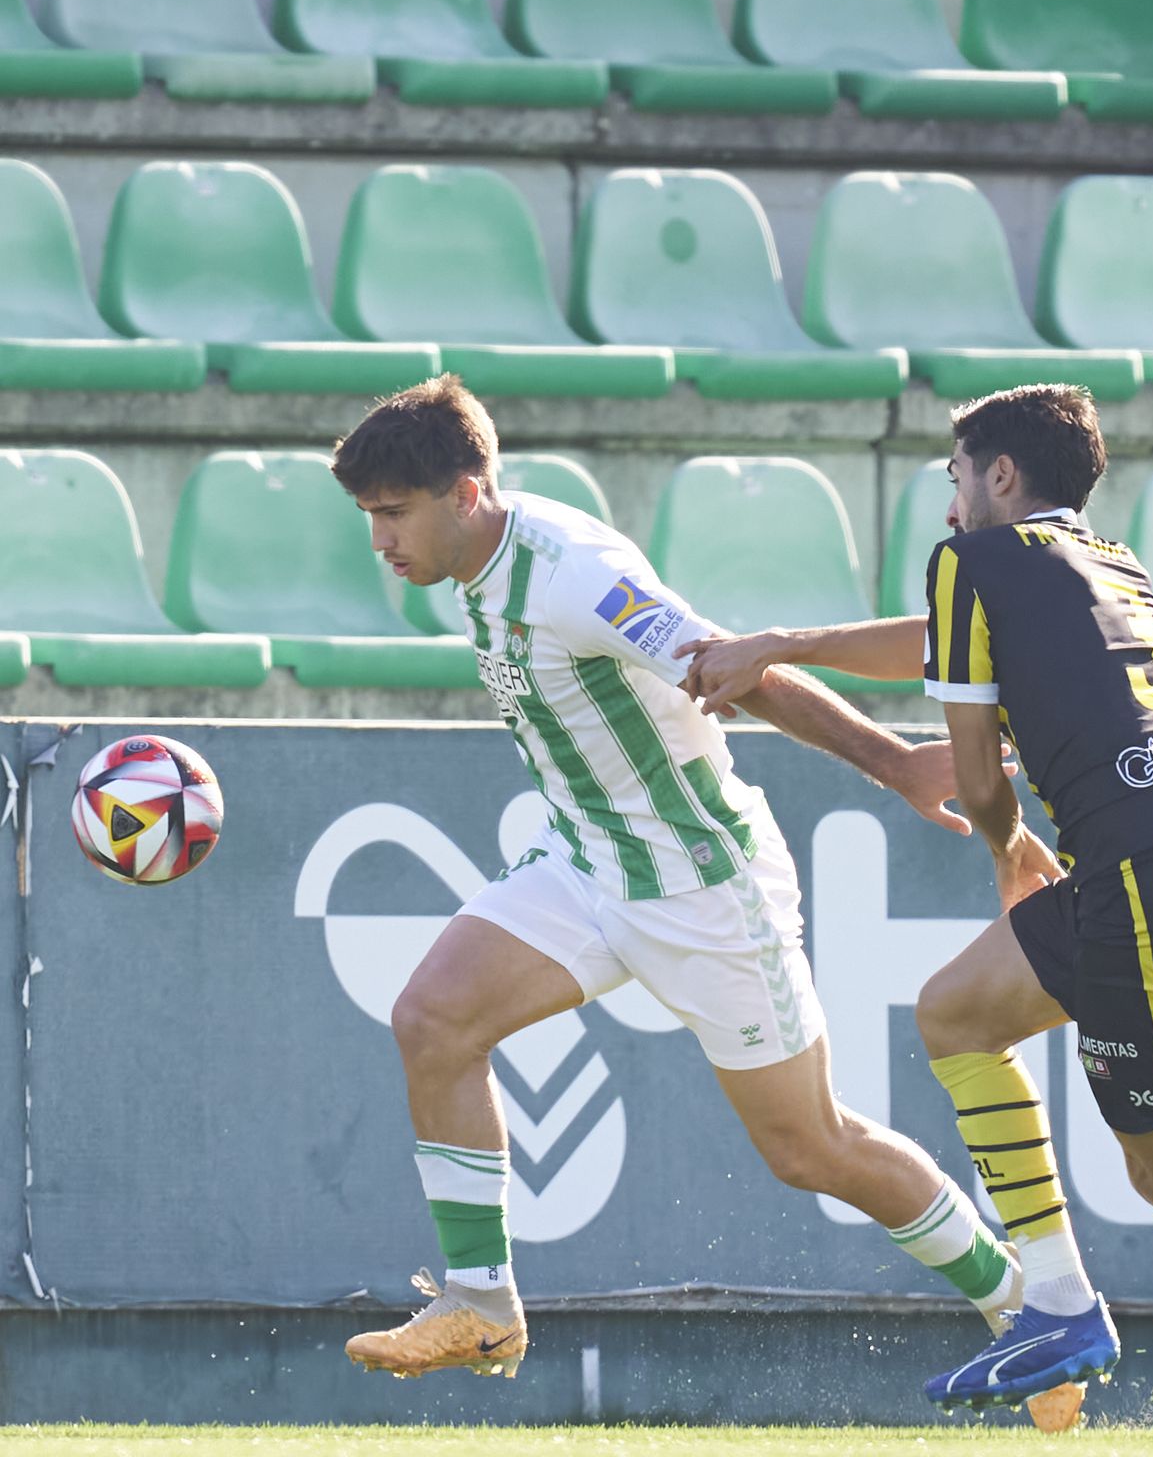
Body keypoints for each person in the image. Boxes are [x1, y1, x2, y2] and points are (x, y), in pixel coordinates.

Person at [678, 383, 1153, 1437]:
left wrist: (1001, 851)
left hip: (1143, 875)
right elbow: (933, 637)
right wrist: (782, 643)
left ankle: (1104, 1319)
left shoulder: (974, 562)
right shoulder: (1109, 562)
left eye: (955, 479)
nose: (948, 509)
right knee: (957, 1014)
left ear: (998, 473)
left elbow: (980, 778)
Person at [323, 374, 1040, 1393]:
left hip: (703, 883)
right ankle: (480, 1303)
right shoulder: (474, 566)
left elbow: (730, 664)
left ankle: (1022, 1306)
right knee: (433, 1019)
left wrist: (897, 763)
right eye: (367, 518)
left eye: (392, 515)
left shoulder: (573, 573)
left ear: (468, 492)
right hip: (585, 856)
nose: (381, 541)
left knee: (812, 1146)